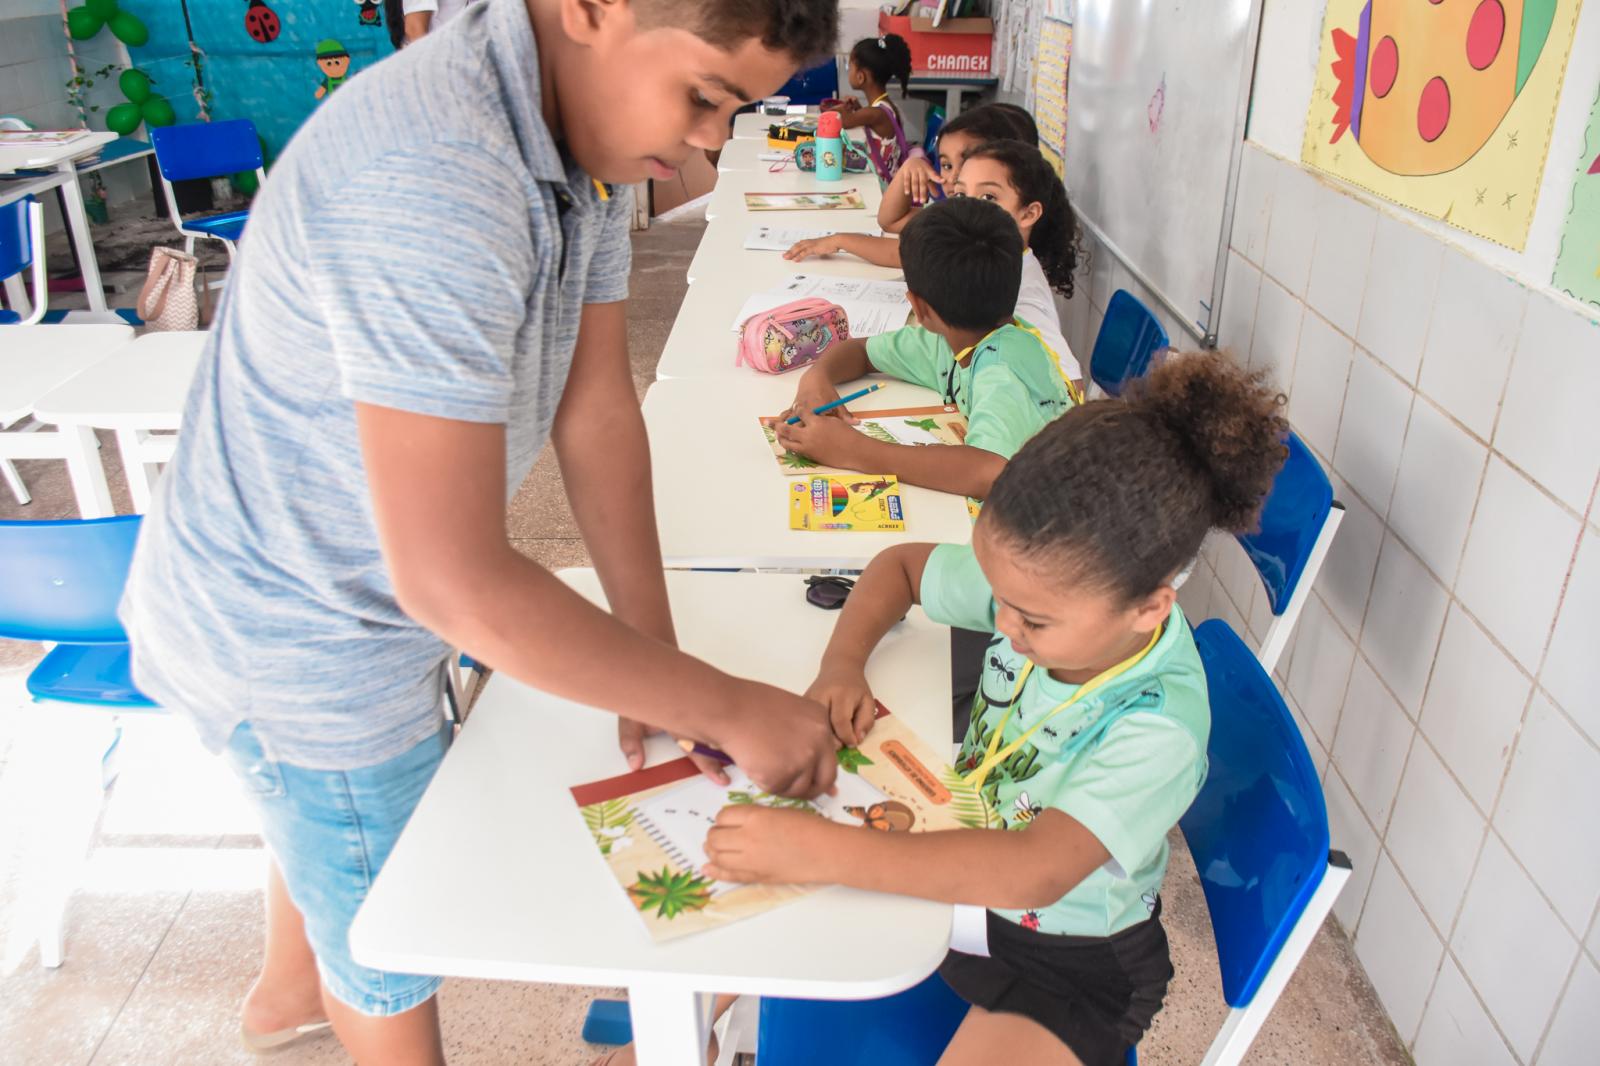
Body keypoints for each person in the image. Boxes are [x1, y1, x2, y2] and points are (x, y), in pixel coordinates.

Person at [117, 1, 841, 1063]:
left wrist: (660, 671)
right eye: (703, 97)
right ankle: (328, 989)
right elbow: (451, 579)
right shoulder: (438, 172)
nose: (707, 140)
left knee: (336, 839)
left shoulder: (579, 135)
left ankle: (284, 994)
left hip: (349, 580)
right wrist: (729, 704)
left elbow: (595, 409)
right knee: (390, 923)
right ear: (590, 11)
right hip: (300, 631)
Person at [704, 354, 1291, 1066]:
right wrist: (840, 666)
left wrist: (822, 853)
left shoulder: (1157, 724)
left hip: (1065, 961)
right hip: (955, 852)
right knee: (729, 941)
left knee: (799, 871)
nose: (1002, 623)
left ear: (1149, 609)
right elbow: (901, 568)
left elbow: (1032, 872)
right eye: (997, 595)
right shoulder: (1047, 592)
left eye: (1032, 622)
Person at [780, 197, 1076, 505]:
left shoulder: (1002, 371)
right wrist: (817, 380)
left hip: (1056, 520)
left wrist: (855, 451)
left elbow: (989, 472)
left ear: (918, 307)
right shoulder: (951, 339)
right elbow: (861, 351)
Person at [784, 139, 1083, 384]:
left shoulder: (1024, 301)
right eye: (961, 193)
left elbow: (1068, 383)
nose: (968, 206)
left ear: (1028, 214)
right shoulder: (970, 256)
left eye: (989, 197)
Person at [878, 102, 1038, 233]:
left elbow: (893, 245)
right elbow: (891, 221)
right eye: (946, 165)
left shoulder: (989, 228)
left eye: (966, 164)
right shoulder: (953, 216)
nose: (954, 178)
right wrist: (909, 167)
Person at [828, 34, 913, 185]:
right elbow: (870, 124)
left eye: (850, 67)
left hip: (881, 189)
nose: (849, 71)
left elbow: (840, 121)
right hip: (885, 182)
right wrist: (857, 109)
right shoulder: (885, 107)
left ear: (861, 77)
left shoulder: (875, 113)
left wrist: (836, 108)